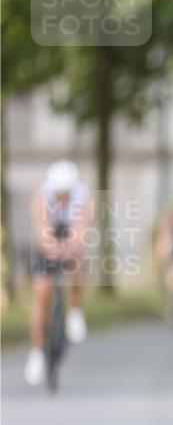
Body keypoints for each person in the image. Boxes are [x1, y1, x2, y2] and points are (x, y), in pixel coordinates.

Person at [24, 160, 92, 385]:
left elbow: (80, 231)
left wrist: (70, 249)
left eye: (66, 193)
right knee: (42, 292)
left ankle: (74, 311)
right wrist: (52, 249)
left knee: (76, 263)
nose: (62, 197)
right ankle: (36, 353)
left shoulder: (83, 197)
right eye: (58, 193)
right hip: (50, 242)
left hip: (70, 240)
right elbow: (43, 232)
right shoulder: (40, 197)